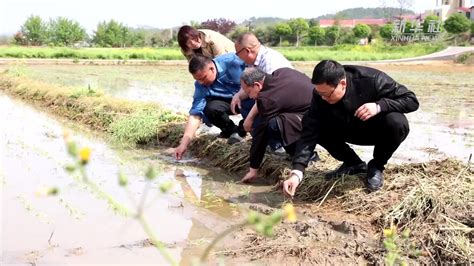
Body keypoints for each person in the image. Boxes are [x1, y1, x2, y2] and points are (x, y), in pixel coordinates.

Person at [283, 60, 419, 196]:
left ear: (343, 84)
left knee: (397, 122)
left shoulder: (372, 80)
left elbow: (411, 100)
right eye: (320, 94)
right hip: (345, 129)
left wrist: (379, 106)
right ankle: (353, 163)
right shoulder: (320, 94)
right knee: (310, 119)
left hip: (374, 130)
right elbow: (309, 132)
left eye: (327, 94)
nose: (323, 98)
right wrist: (297, 172)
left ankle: (376, 166)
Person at [239, 67, 315, 182]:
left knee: (273, 125)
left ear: (257, 85)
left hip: (316, 118)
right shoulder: (281, 72)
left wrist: (253, 169)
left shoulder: (268, 99)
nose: (250, 97)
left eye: (249, 92)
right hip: (316, 107)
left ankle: (303, 154)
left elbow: (260, 134)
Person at [174, 54, 250, 160]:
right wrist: (183, 145)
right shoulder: (200, 85)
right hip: (228, 102)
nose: (201, 83)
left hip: (249, 96)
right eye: (197, 79)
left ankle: (245, 127)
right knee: (209, 109)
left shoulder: (234, 62)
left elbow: (258, 76)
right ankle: (233, 131)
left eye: (203, 78)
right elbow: (195, 115)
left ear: (212, 69)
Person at [231, 32, 294, 150]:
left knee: (259, 114)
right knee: (244, 102)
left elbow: (269, 95)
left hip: (284, 102)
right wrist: (238, 95)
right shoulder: (252, 62)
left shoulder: (270, 61)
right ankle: (264, 141)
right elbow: (248, 82)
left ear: (247, 50)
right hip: (271, 98)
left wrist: (249, 118)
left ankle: (276, 144)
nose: (238, 57)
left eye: (238, 53)